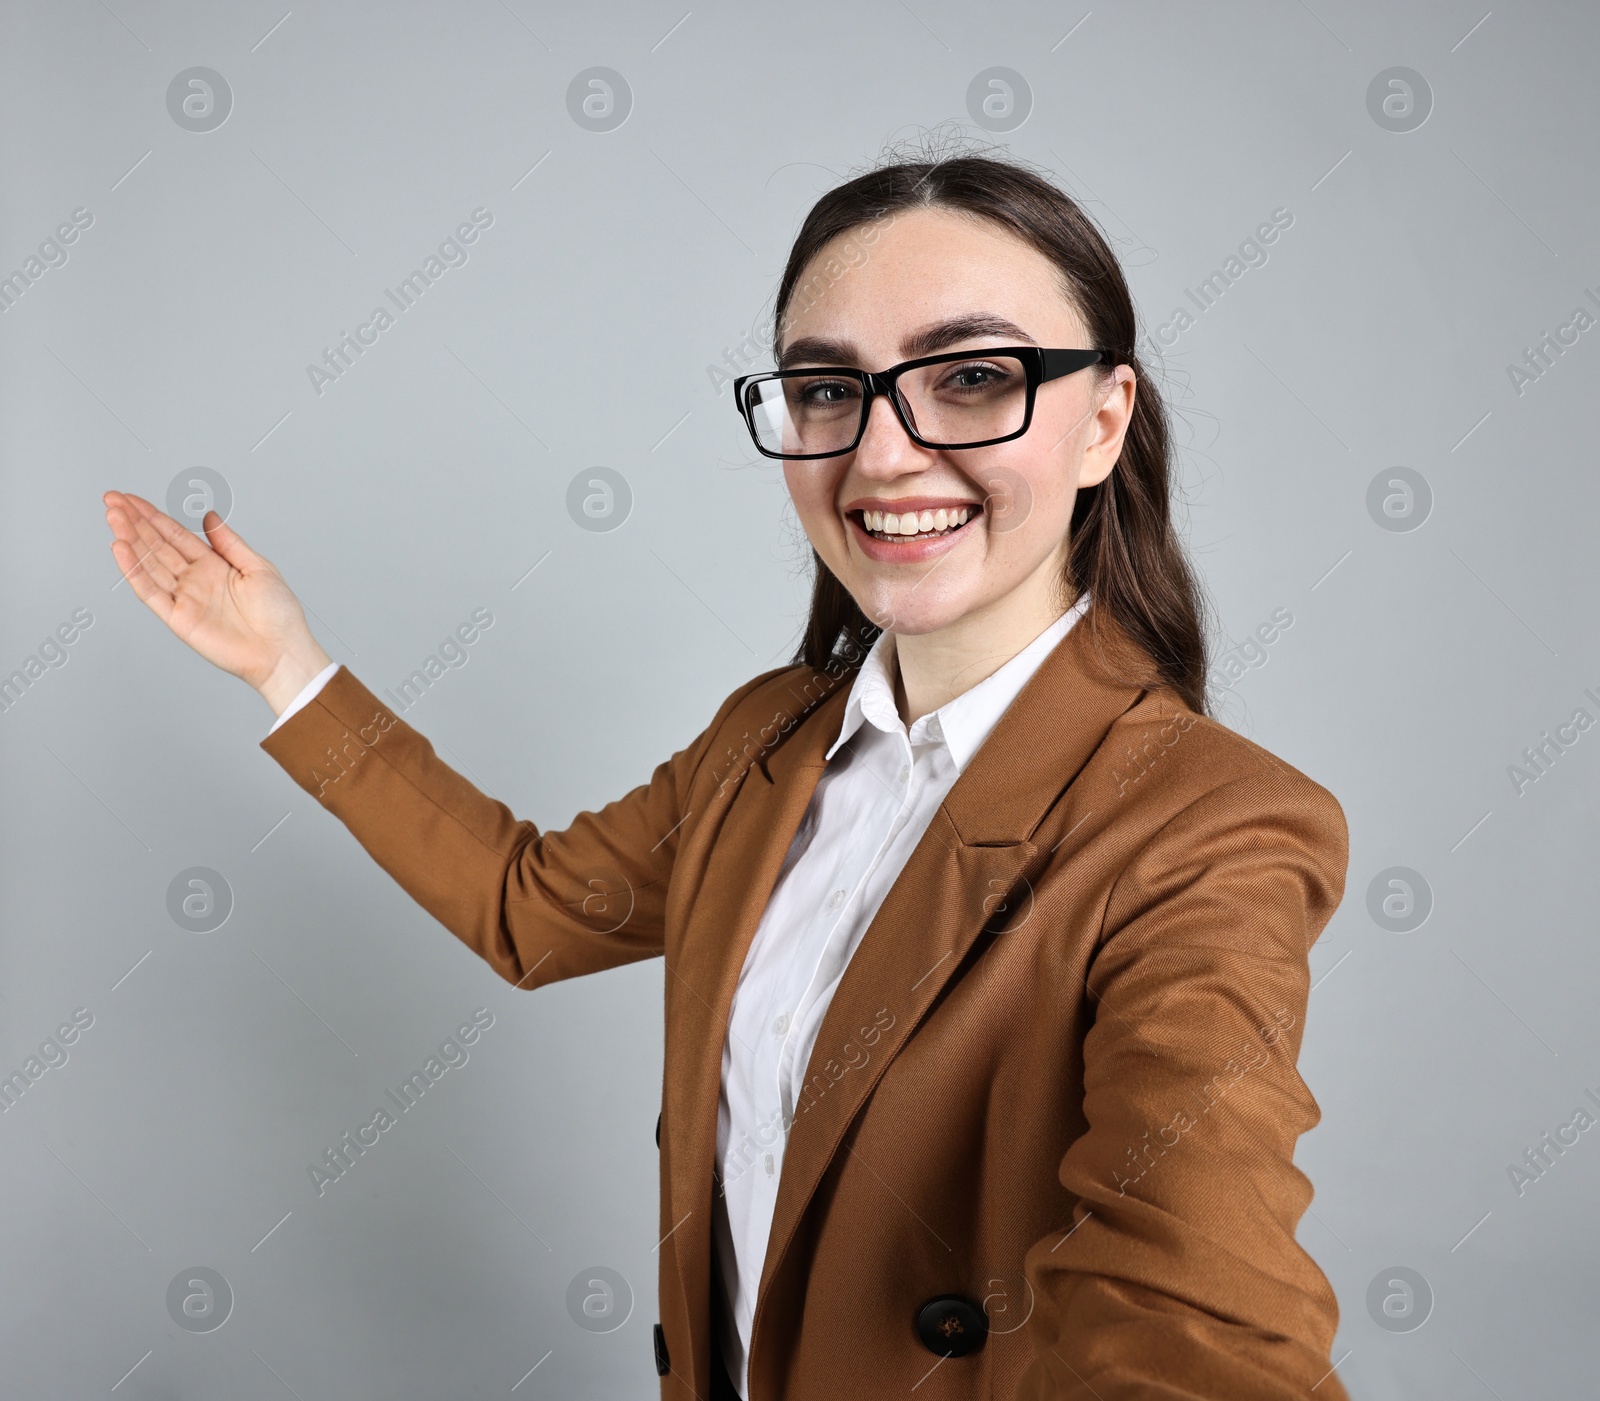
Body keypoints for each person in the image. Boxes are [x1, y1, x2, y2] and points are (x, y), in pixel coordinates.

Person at [103, 145, 1351, 1401]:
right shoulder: (768, 738)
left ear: (1103, 422)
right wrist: (288, 667)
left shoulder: (1211, 828)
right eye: (826, 391)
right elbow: (530, 909)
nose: (882, 457)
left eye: (973, 379)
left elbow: (1199, 1317)